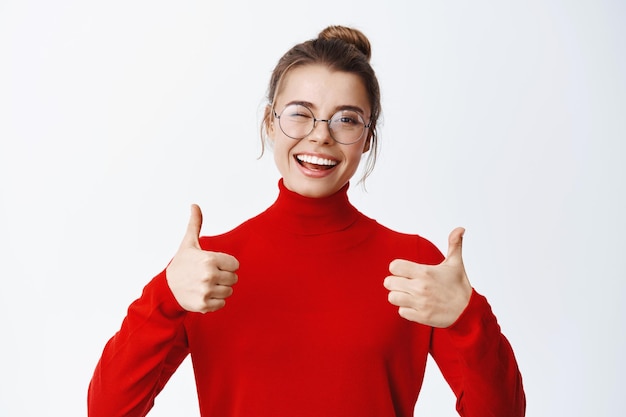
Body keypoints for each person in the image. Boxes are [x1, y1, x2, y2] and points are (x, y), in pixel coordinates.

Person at [88, 25, 525, 417]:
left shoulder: (412, 266)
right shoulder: (207, 269)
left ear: (367, 138)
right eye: (300, 112)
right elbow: (108, 410)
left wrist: (467, 318)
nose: (320, 134)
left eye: (346, 119)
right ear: (270, 122)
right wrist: (166, 295)